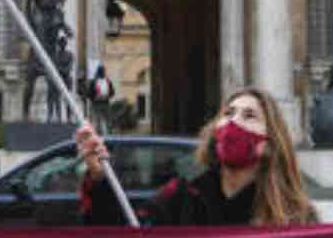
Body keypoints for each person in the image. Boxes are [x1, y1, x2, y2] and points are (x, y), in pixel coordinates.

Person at [77, 86, 318, 226]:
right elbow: (125, 230)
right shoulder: (180, 198)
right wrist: (100, 180)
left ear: (269, 146)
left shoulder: (297, 217)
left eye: (249, 116)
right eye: (229, 113)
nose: (234, 121)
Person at [89, 64, 116, 134]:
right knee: (97, 122)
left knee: (109, 121)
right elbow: (89, 93)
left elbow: (112, 92)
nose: (103, 73)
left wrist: (107, 96)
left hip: (105, 103)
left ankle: (110, 135)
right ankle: (99, 135)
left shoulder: (108, 81)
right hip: (96, 104)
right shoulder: (93, 81)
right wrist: (95, 97)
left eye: (103, 71)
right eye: (101, 71)